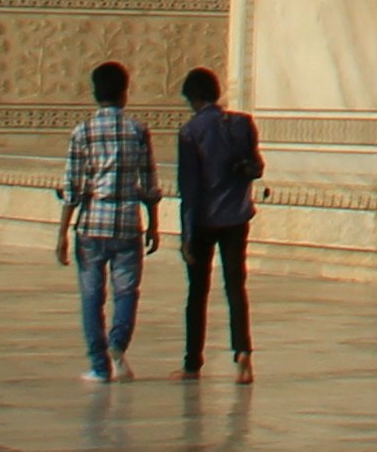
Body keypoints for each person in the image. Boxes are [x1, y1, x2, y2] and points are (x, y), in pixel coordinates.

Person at [57, 59, 157, 382]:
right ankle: (117, 344)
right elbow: (150, 185)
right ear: (124, 94)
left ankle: (99, 366)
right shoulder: (138, 131)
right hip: (128, 221)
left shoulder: (82, 133)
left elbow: (72, 188)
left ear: (94, 93)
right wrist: (153, 223)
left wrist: (61, 233)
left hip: (91, 224)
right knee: (126, 290)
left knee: (91, 295)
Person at [172, 65, 263, 382]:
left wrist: (185, 235)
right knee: (236, 287)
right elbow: (255, 165)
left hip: (205, 220)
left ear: (194, 99)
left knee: (197, 292)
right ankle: (243, 354)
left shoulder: (190, 132)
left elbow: (190, 188)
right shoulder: (241, 123)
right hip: (237, 216)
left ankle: (192, 362)